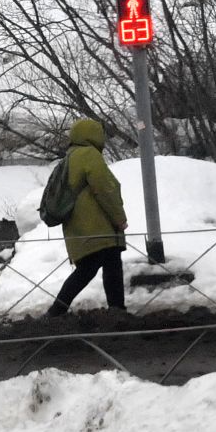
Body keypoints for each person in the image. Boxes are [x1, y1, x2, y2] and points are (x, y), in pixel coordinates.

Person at [46, 117, 128, 317]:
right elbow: (105, 189)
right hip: (96, 226)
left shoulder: (69, 157)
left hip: (78, 226)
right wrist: (119, 217)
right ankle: (56, 311)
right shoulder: (89, 155)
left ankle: (117, 311)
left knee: (110, 263)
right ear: (94, 135)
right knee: (89, 268)